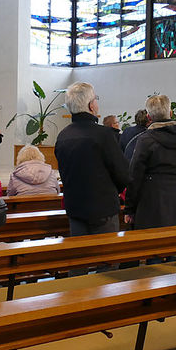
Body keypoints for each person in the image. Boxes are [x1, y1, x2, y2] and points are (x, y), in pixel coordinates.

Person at [55, 82, 130, 236]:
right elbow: (122, 174)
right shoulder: (104, 134)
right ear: (91, 106)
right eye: (95, 99)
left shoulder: (63, 136)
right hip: (103, 210)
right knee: (105, 256)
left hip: (75, 209)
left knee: (81, 256)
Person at [125, 95, 176, 230]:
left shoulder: (145, 140)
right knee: (175, 240)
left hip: (152, 197)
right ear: (171, 113)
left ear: (148, 117)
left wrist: (129, 208)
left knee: (151, 241)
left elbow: (135, 175)